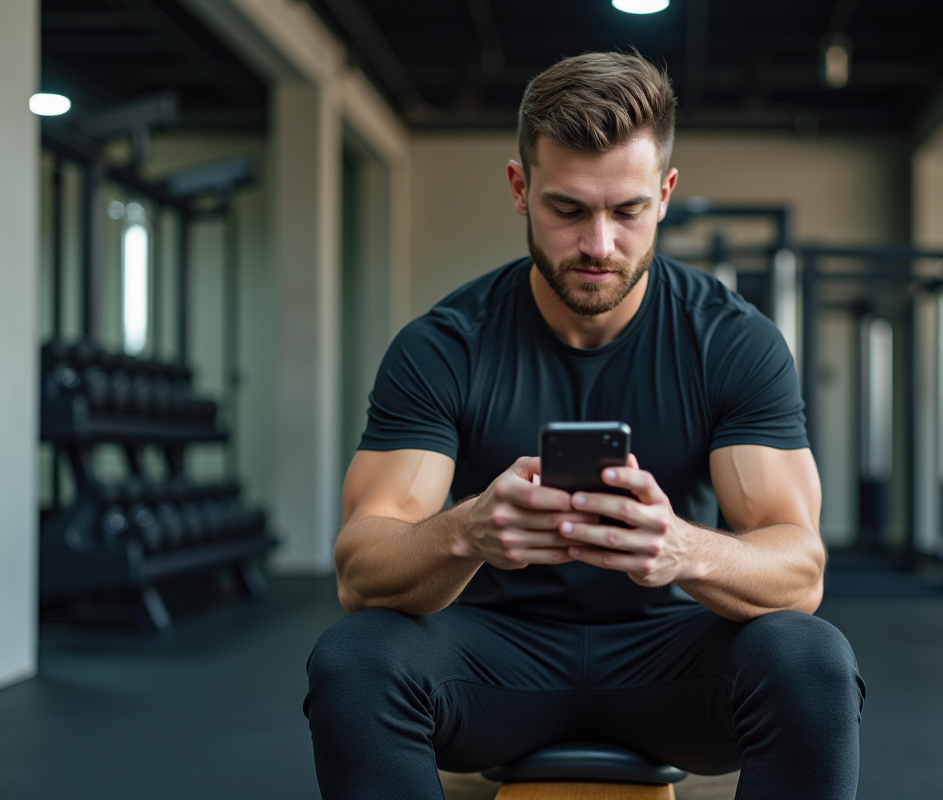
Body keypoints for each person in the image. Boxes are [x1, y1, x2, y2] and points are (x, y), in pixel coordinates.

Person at [304, 52, 865, 800]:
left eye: (627, 210)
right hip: (493, 662)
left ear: (664, 195)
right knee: (354, 660)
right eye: (568, 209)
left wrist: (681, 549)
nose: (599, 245)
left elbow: (800, 569)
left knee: (811, 660)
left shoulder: (732, 340)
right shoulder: (444, 345)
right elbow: (359, 568)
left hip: (666, 663)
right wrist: (468, 531)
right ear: (520, 188)